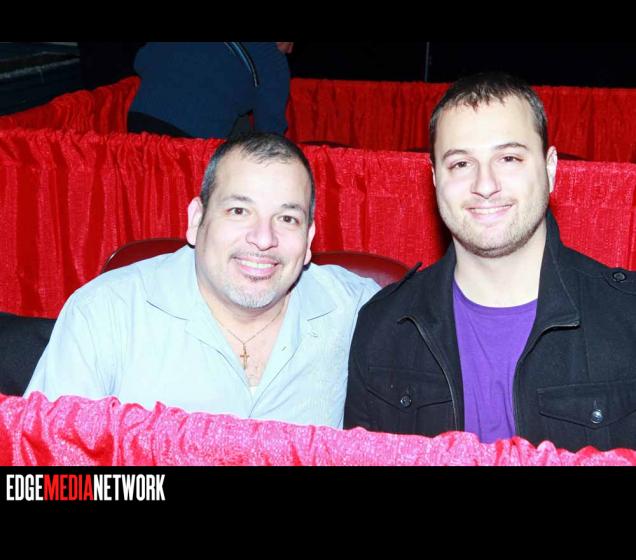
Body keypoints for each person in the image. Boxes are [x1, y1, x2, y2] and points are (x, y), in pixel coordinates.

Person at [344, 72, 636, 452]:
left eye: (509, 158)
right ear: (434, 178)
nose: (485, 185)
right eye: (461, 164)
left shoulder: (628, 318)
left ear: (550, 168)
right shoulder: (381, 327)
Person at [25, 133, 379, 428]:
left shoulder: (361, 312)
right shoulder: (105, 314)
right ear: (196, 220)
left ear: (309, 238)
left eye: (287, 218)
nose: (263, 239)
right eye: (239, 211)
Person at [127, 42, 292, 139]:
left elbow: (141, 61)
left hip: (139, 122)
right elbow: (270, 133)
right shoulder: (273, 59)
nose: (290, 49)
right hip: (193, 141)